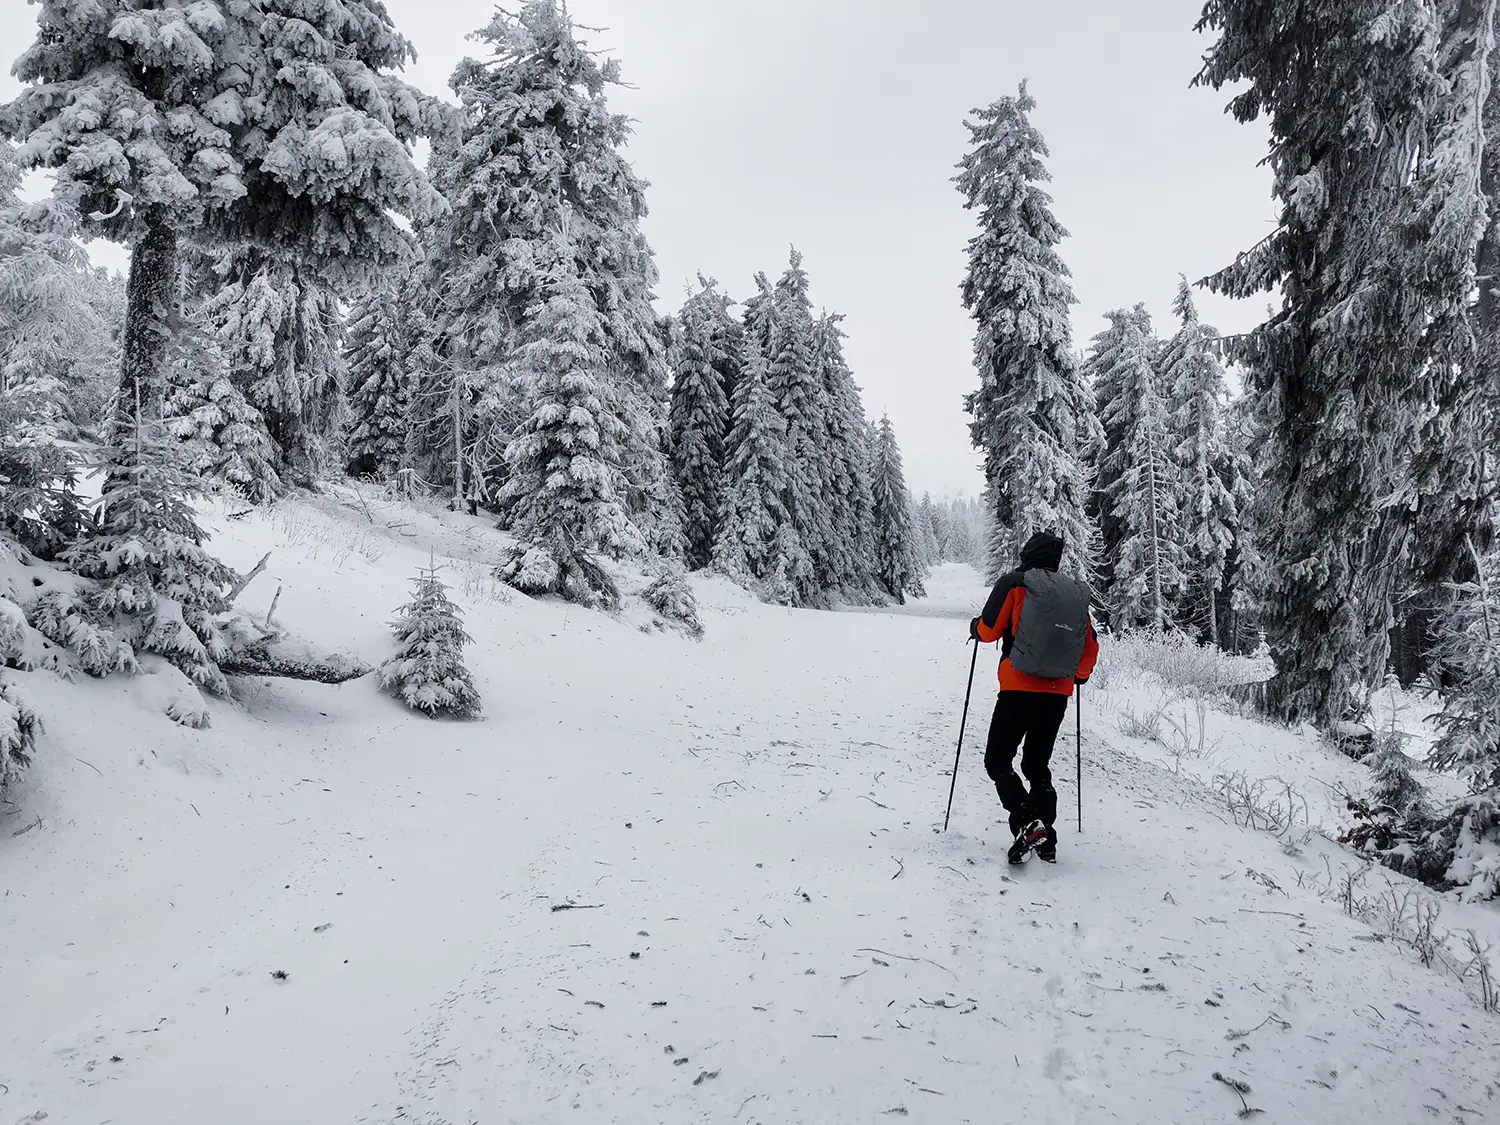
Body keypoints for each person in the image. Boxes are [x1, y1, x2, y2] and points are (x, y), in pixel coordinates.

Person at [969, 531, 1098, 864]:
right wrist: (1079, 676)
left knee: (997, 760)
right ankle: (1045, 836)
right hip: (1058, 693)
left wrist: (974, 628)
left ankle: (1027, 821)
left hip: (1017, 689)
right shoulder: (1073, 593)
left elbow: (988, 630)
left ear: (1028, 553)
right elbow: (1089, 644)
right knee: (1036, 763)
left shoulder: (1015, 583)